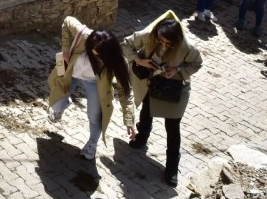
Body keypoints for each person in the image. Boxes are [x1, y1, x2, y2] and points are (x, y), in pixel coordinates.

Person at [122, 11, 203, 187]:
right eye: (161, 41)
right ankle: (142, 137)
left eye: (168, 43)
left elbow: (197, 63)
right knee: (147, 110)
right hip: (151, 83)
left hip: (173, 89)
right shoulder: (148, 36)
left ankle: (172, 167)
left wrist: (178, 71)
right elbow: (126, 44)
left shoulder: (187, 47)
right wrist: (139, 60)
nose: (164, 45)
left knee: (172, 127)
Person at [47, 18, 135, 179]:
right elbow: (67, 21)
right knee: (56, 104)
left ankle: (92, 144)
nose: (94, 55)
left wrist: (129, 119)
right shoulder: (86, 36)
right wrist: (65, 49)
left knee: (95, 116)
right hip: (71, 75)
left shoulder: (118, 60)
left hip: (95, 83)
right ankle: (63, 106)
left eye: (99, 55)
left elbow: (125, 91)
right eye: (92, 51)